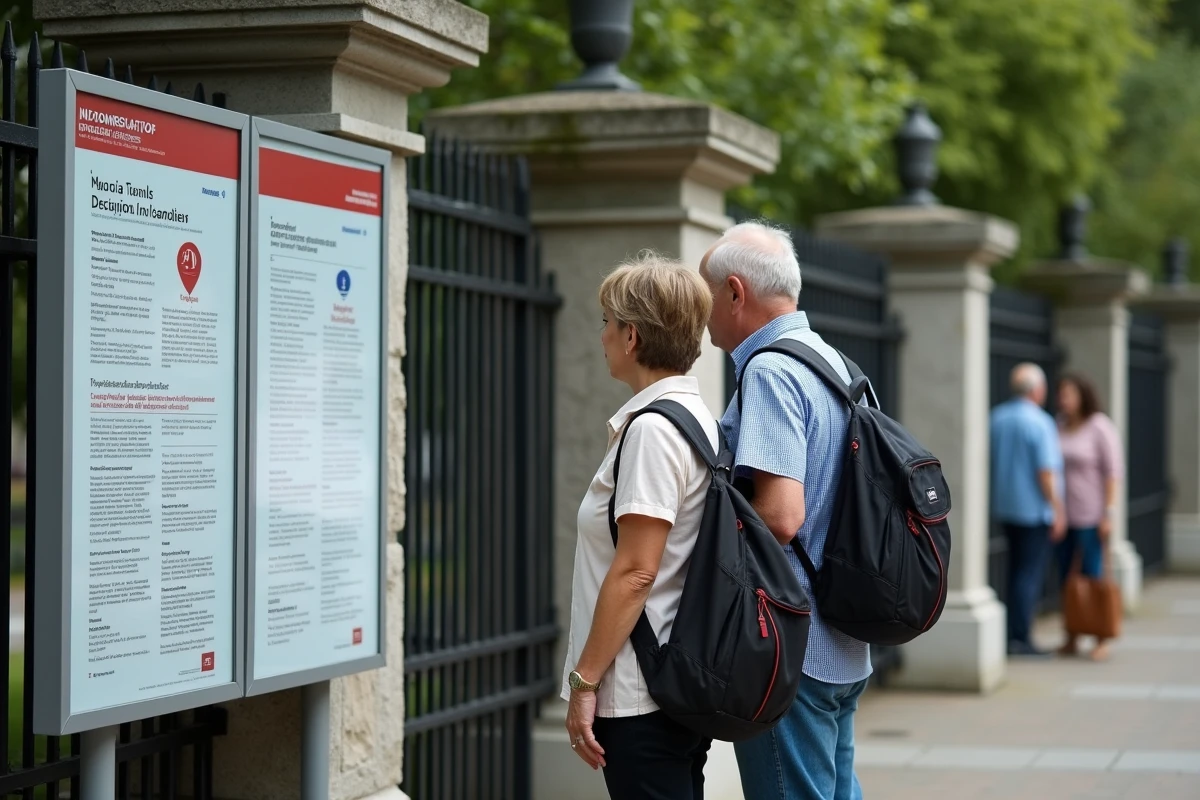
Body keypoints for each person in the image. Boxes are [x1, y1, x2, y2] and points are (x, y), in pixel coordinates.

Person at [700, 221, 869, 800]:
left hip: (788, 648)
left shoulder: (771, 370)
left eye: (707, 294)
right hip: (843, 643)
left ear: (735, 294)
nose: (704, 313)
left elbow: (780, 516)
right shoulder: (836, 363)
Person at [561, 252, 719, 799]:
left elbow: (635, 573)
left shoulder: (653, 432)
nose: (601, 336)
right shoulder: (696, 418)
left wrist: (584, 683)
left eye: (607, 322)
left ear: (632, 338)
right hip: (669, 681)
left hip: (638, 692)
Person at [989, 362, 1066, 657]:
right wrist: (1058, 509)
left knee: (1013, 572)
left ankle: (1011, 633)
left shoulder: (996, 417)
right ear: (1036, 390)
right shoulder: (1040, 422)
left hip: (1005, 507)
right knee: (1028, 575)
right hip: (1034, 511)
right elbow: (1046, 472)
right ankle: (1021, 638)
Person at [1055, 372, 1124, 661]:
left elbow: (1113, 473)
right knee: (1066, 579)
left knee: (1093, 576)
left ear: (1083, 395)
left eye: (1069, 394)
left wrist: (1108, 513)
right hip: (1062, 515)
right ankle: (1072, 635)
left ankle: (1101, 637)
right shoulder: (1059, 426)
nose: (1063, 399)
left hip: (1091, 514)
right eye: (1061, 394)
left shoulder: (1100, 427)